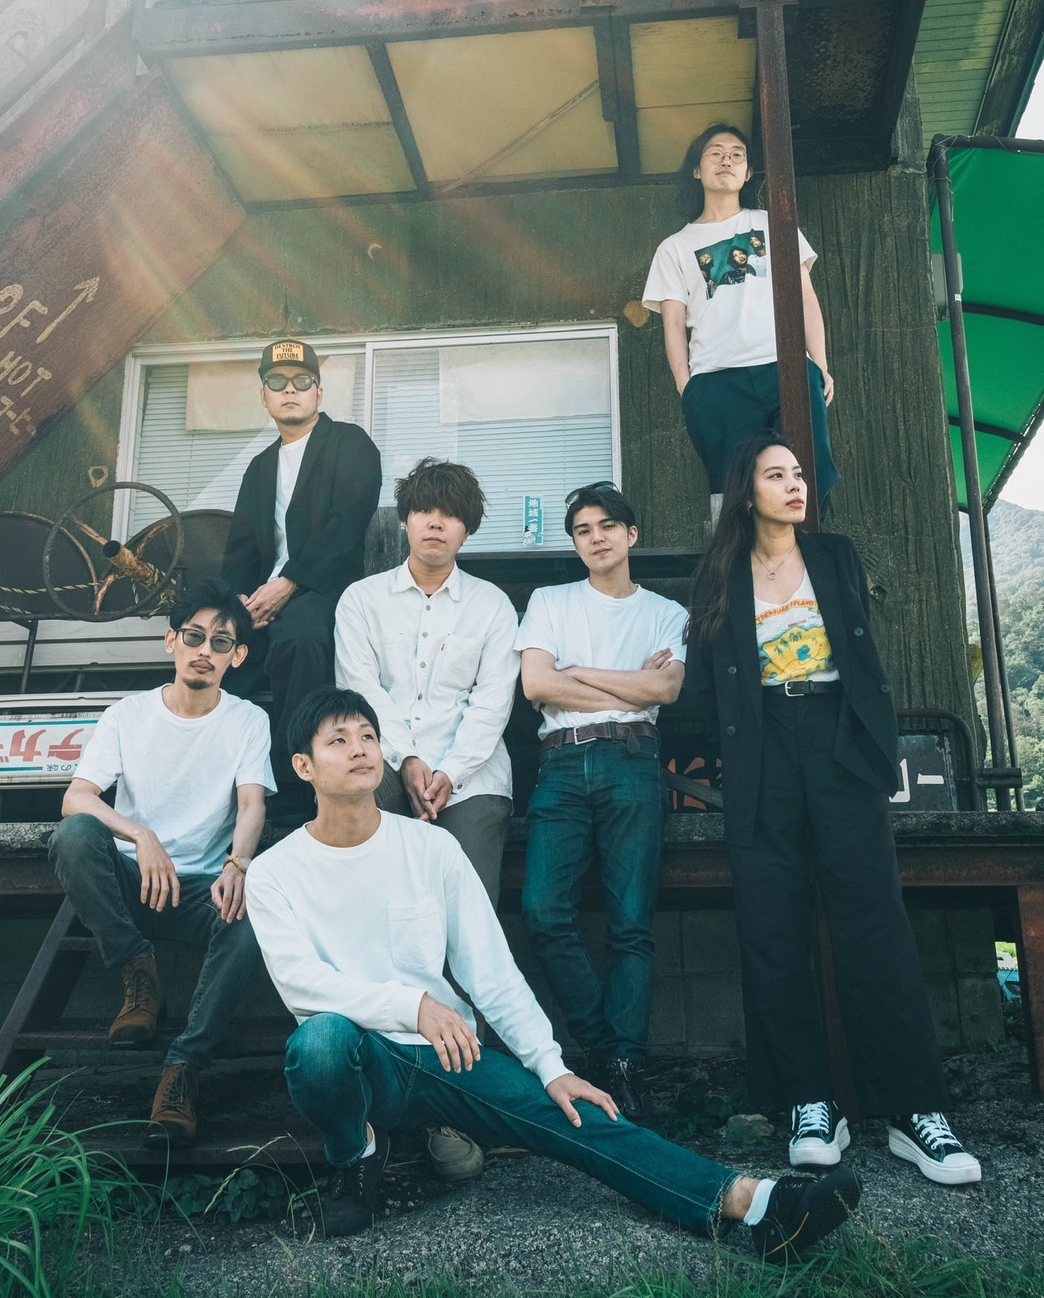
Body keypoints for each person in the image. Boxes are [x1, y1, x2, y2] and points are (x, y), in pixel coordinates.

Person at [245, 686, 860, 1257]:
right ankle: (356, 1154)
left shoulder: (430, 848)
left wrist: (551, 1065)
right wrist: (412, 1006)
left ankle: (754, 1205)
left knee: (571, 1112)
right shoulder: (275, 872)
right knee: (319, 1042)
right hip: (359, 1058)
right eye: (338, 740)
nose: (359, 749)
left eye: (367, 736)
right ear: (304, 767)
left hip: (444, 1055)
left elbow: (491, 971)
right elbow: (302, 984)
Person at [684, 435, 981, 1185]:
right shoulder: (720, 571)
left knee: (873, 920)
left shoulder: (835, 556)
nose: (795, 485)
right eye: (776, 475)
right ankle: (809, 1103)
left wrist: (869, 747)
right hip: (760, 750)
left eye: (798, 474)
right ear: (745, 489)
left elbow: (861, 653)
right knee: (772, 929)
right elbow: (706, 678)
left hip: (837, 739)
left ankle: (916, 1111)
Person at [334, 456, 519, 1182]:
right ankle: (373, 1086)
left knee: (468, 920)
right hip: (383, 767)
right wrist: (407, 760)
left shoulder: (492, 607)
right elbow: (360, 692)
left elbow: (492, 702)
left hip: (472, 778)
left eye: (451, 514)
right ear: (405, 520)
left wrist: (449, 772)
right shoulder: (361, 600)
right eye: (423, 510)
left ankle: (455, 1103)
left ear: (466, 529)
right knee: (374, 912)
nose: (435, 523)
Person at [48, 579, 275, 1146]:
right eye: (194, 636)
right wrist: (140, 834)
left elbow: (252, 804)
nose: (204, 651)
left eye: (220, 642)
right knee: (74, 836)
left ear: (237, 656)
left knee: (253, 914)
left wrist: (238, 865)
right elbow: (77, 798)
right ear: (171, 641)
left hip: (201, 890)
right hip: (130, 883)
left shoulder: (248, 720)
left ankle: (184, 1068)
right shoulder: (127, 715)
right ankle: (138, 975)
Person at [515, 482, 686, 1119]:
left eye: (608, 525)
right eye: (583, 530)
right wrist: (628, 683)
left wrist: (579, 671)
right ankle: (601, 1045)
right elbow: (536, 683)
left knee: (631, 922)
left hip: (632, 761)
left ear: (630, 534)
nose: (596, 538)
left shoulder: (665, 612)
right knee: (542, 910)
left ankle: (626, 1064)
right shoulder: (550, 601)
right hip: (560, 764)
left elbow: (664, 691)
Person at [642, 123, 840, 520]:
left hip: (785, 366)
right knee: (734, 490)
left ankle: (806, 554)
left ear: (748, 173)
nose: (726, 160)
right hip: (716, 380)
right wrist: (687, 387)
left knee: (808, 473)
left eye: (737, 155)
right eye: (715, 153)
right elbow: (673, 325)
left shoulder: (773, 223)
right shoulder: (674, 247)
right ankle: (742, 560)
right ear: (696, 170)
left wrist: (818, 363)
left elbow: (805, 297)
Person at [222, 338, 381, 825]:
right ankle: (228, 788)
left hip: (324, 588)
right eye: (277, 382)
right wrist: (236, 604)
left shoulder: (349, 444)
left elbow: (346, 522)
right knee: (216, 649)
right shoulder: (259, 467)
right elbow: (242, 549)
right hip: (265, 596)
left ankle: (298, 790)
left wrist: (288, 583)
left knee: (301, 637)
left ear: (319, 392)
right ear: (263, 395)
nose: (289, 390)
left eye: (301, 381)